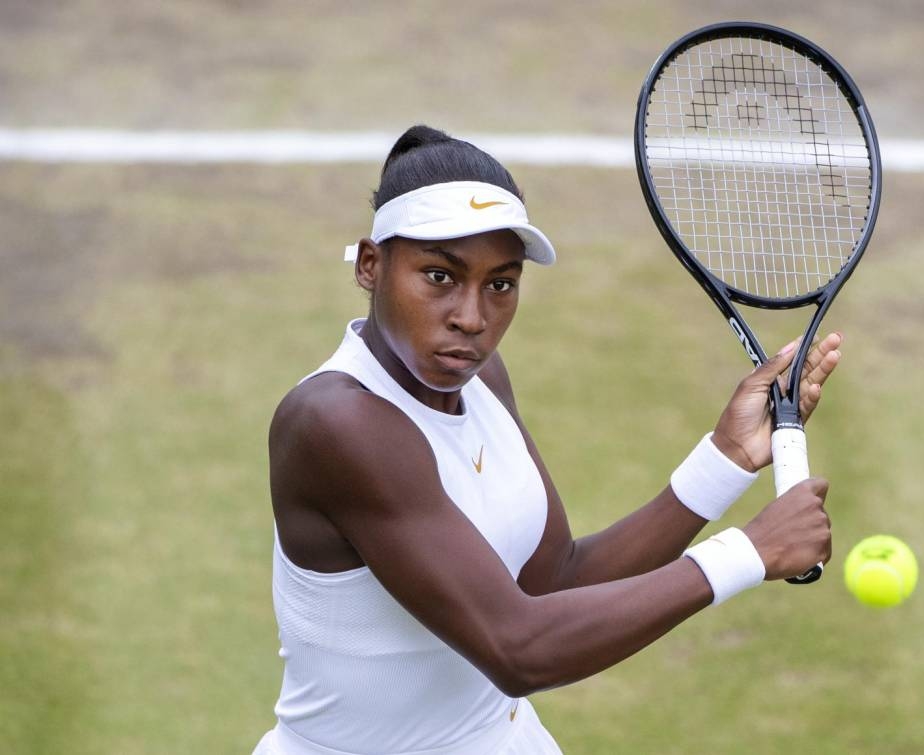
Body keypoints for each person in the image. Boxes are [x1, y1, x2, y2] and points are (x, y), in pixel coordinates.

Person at [253, 125, 839, 755]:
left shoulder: (480, 382)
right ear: (372, 265)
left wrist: (726, 459)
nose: (472, 319)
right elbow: (518, 648)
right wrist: (748, 553)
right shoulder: (337, 425)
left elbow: (555, 582)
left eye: (500, 284)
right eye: (439, 277)